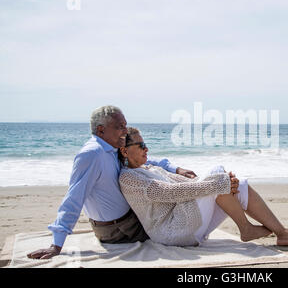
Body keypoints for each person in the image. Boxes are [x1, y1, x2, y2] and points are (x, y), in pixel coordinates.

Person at [27, 106, 196, 260]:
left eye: (125, 125)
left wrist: (175, 168)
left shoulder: (111, 148)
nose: (125, 131)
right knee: (180, 212)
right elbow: (74, 198)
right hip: (120, 230)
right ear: (101, 129)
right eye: (120, 127)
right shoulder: (92, 154)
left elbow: (144, 159)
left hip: (124, 223)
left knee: (169, 194)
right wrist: (56, 245)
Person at [118, 127, 288, 248]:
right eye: (141, 145)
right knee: (217, 177)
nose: (147, 148)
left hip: (184, 221)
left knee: (240, 183)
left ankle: (284, 235)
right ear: (125, 151)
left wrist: (223, 183)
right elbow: (167, 193)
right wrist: (218, 183)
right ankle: (245, 228)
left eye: (146, 144)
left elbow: (184, 184)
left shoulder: (151, 168)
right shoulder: (128, 178)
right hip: (170, 232)